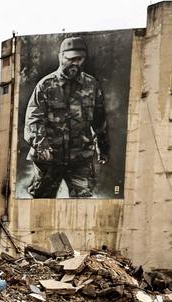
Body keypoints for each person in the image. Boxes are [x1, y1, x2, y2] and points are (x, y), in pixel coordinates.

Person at [23, 36, 109, 198]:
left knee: (84, 201)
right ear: (61, 57)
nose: (76, 63)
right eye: (72, 58)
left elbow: (99, 119)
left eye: (80, 58)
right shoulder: (46, 85)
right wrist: (42, 146)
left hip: (80, 158)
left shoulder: (92, 85)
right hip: (49, 159)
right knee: (41, 200)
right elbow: (33, 120)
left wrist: (102, 147)